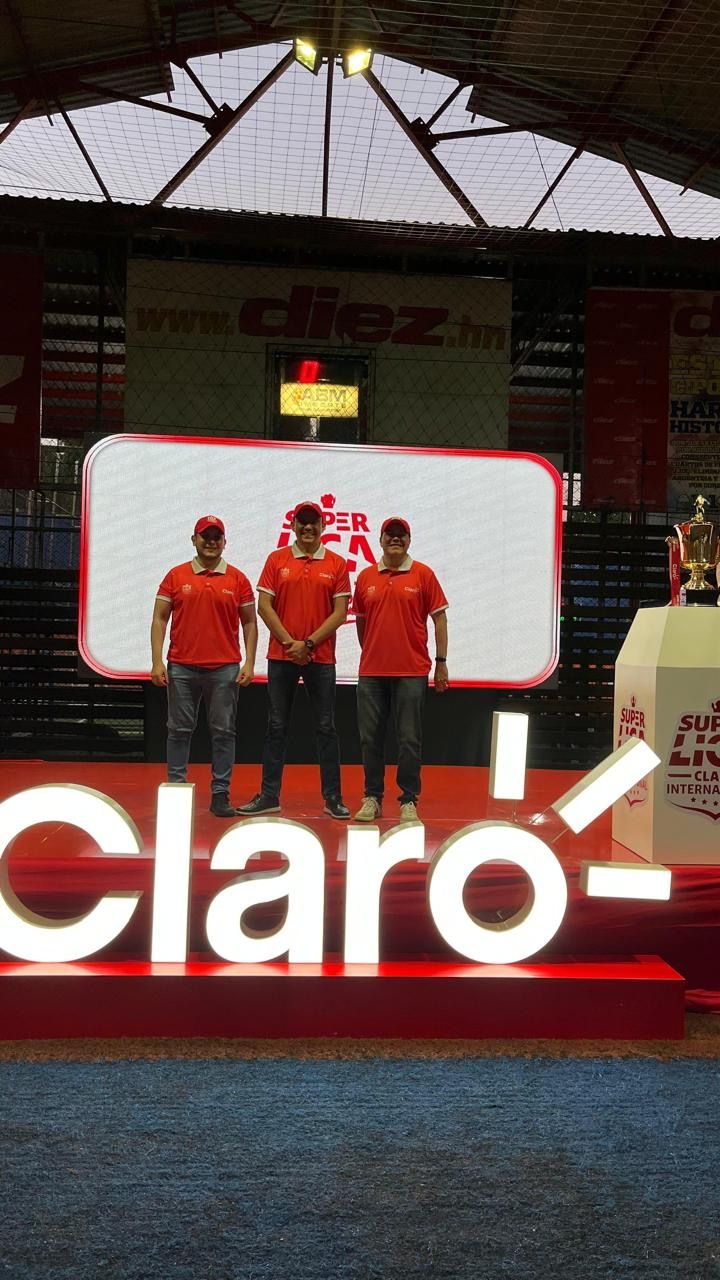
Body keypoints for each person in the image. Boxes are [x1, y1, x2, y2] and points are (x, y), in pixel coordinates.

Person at [238, 500, 351, 819]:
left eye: (314, 522)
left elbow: (340, 613)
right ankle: (269, 795)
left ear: (323, 526)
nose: (308, 527)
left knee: (326, 727)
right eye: (302, 522)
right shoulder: (276, 559)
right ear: (293, 525)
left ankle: (333, 798)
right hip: (281, 656)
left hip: (321, 657)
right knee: (276, 726)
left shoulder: (337, 563)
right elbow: (264, 606)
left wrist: (309, 643)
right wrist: (291, 644)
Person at [150, 515, 257, 818]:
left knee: (223, 732)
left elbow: (250, 623)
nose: (211, 542)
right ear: (194, 540)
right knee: (178, 730)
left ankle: (220, 794)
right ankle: (176, 791)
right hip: (181, 667)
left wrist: (249, 661)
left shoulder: (238, 579)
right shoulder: (175, 576)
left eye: (216, 537)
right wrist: (157, 660)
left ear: (224, 542)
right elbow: (159, 618)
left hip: (224, 669)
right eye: (205, 536)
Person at [352, 516, 448, 823]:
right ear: (380, 540)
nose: (395, 539)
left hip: (412, 671)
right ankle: (372, 797)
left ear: (409, 540)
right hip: (372, 672)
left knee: (409, 739)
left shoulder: (423, 574)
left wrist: (441, 662)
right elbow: (362, 623)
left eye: (401, 534)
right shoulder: (365, 577)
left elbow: (439, 619)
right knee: (370, 739)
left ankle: (408, 800)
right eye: (389, 534)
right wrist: (373, 652)